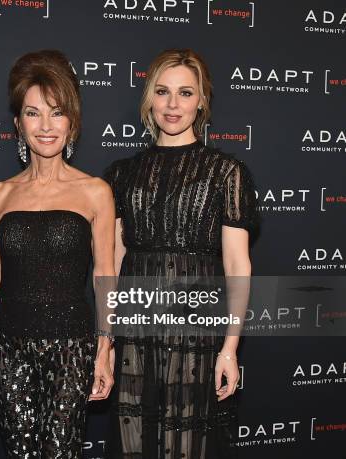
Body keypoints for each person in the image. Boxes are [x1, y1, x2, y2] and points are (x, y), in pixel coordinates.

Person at [104, 49, 257, 459]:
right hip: (136, 328)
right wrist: (108, 340)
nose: (173, 105)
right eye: (163, 92)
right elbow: (114, 263)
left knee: (190, 444)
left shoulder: (226, 172)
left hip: (196, 330)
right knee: (133, 438)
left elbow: (238, 265)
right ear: (149, 99)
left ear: (202, 101)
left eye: (185, 93)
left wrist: (229, 348)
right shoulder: (121, 173)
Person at [0, 49, 115, 458]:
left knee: (61, 452)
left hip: (71, 347)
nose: (46, 126)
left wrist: (104, 351)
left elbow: (105, 276)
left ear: (72, 122)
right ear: (18, 123)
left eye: (57, 112)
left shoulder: (94, 192)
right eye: (33, 114)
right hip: (8, 344)